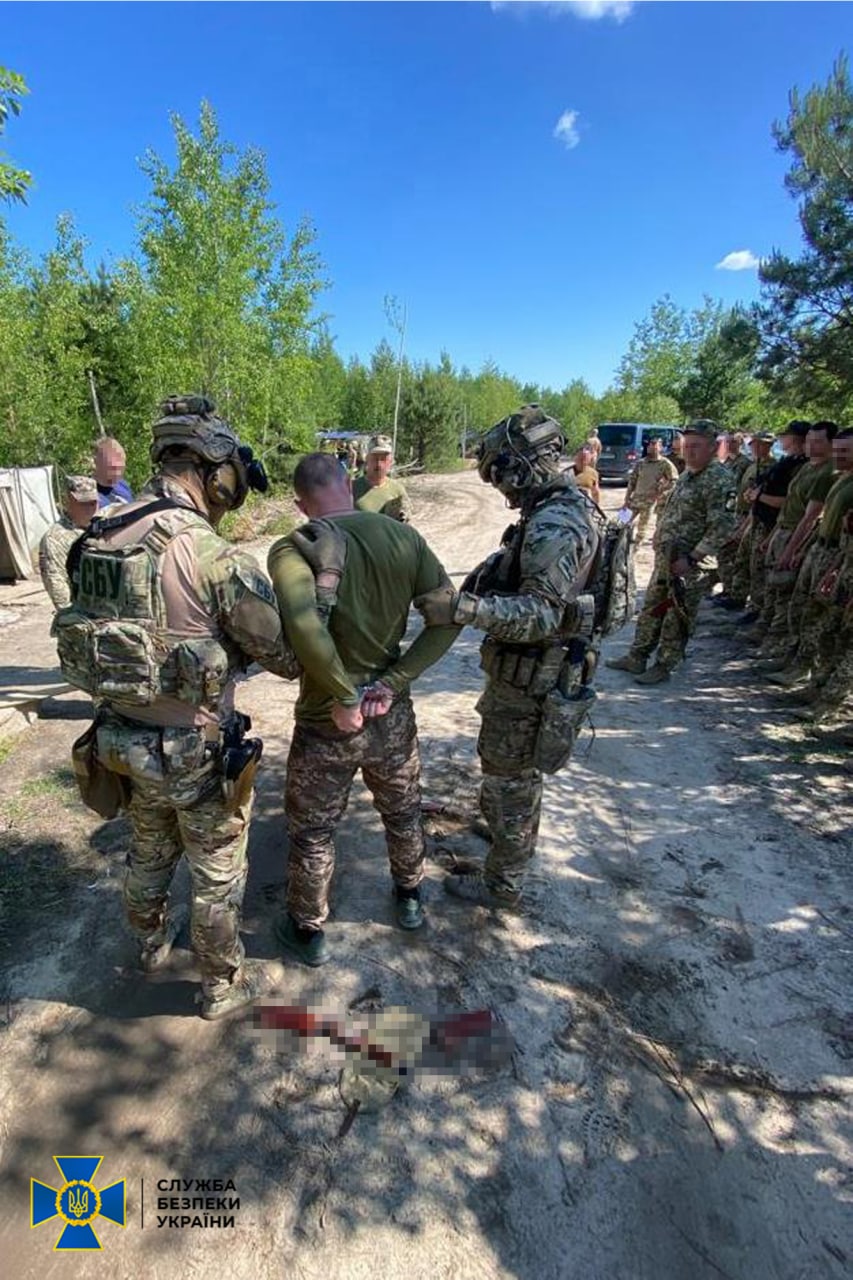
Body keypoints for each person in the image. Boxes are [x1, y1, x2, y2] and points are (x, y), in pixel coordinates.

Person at [56, 396, 297, 1019]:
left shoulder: (98, 537)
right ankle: (220, 985)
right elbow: (286, 656)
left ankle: (147, 945)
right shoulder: (209, 553)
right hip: (191, 749)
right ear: (212, 467)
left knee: (147, 849)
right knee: (216, 871)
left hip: (116, 739)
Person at [267, 453, 459, 965]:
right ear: (349, 488)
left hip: (322, 719)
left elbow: (306, 628)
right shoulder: (404, 538)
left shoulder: (292, 547)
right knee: (401, 812)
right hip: (389, 714)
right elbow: (449, 617)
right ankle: (410, 898)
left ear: (300, 503)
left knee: (312, 831)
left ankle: (308, 932)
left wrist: (341, 695)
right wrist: (395, 680)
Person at [415, 405, 600, 908]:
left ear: (523, 463)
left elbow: (541, 614)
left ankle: (502, 885)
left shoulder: (556, 522)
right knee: (504, 769)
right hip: (524, 673)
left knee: (515, 779)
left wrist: (463, 608)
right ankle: (500, 832)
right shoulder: (550, 511)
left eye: (500, 472)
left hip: (533, 679)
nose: (499, 486)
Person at [606, 419, 736, 685]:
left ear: (713, 448)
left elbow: (722, 527)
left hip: (689, 565)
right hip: (666, 558)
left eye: (697, 446)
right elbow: (672, 510)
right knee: (652, 608)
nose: (689, 451)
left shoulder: (719, 479)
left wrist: (692, 558)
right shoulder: (686, 474)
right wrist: (659, 534)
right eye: (687, 446)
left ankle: (664, 665)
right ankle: (637, 656)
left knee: (676, 617)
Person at [751, 421, 838, 656]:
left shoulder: (828, 472)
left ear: (832, 444)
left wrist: (791, 549)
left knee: (786, 593)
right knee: (775, 588)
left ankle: (779, 647)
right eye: (809, 440)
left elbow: (810, 517)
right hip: (782, 531)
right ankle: (770, 639)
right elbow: (790, 505)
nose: (810, 445)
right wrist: (772, 536)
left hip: (796, 536)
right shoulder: (807, 467)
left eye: (818, 441)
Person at [716, 431, 777, 610]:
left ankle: (754, 604)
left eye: (761, 444)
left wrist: (745, 524)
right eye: (754, 444)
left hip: (756, 518)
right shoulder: (753, 465)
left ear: (769, 446)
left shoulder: (772, 467)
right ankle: (736, 594)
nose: (756, 447)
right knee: (740, 558)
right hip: (742, 513)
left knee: (754, 562)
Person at [38, 475, 98, 610]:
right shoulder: (55, 539)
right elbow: (59, 590)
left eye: (93, 502)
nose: (89, 508)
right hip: (81, 617)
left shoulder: (104, 527)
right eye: (83, 503)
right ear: (69, 500)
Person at [623, 437, 678, 545]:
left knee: (641, 530)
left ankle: (635, 550)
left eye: (655, 445)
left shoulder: (665, 464)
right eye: (650, 445)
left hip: (649, 502)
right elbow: (632, 481)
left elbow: (674, 481)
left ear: (660, 448)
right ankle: (618, 545)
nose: (651, 447)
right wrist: (626, 498)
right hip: (634, 499)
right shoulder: (641, 463)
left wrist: (661, 492)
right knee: (621, 522)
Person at [352, 434, 411, 521]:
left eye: (383, 459)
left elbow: (404, 526)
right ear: (367, 459)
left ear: (390, 461)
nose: (379, 464)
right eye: (375, 458)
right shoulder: (351, 489)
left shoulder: (398, 490)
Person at [94, 436, 134, 508]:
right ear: (97, 462)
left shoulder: (123, 485)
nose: (117, 473)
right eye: (113, 468)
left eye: (120, 468)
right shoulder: (90, 494)